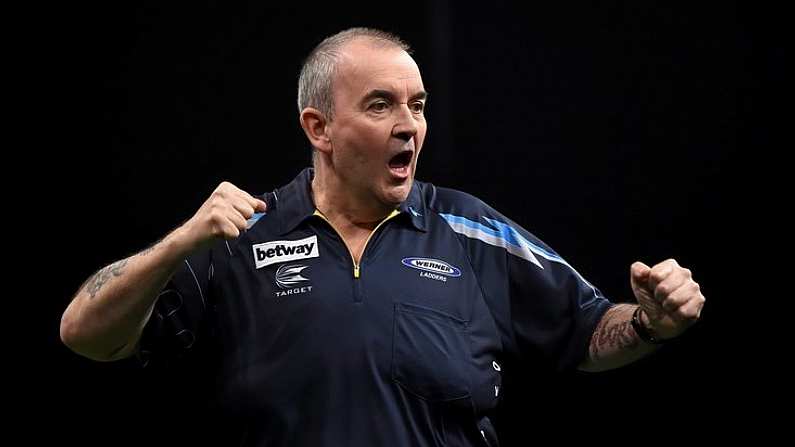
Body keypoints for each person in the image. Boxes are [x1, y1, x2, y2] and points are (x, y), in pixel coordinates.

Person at [60, 27, 705, 446]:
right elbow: (85, 335)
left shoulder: (471, 230)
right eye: (381, 105)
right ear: (319, 129)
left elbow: (587, 330)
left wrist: (650, 323)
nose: (410, 127)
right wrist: (178, 244)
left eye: (418, 105)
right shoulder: (233, 239)